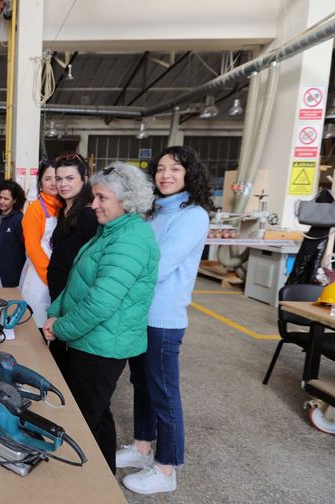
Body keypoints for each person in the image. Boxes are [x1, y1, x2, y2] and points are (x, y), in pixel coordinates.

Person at [43, 162, 159, 475]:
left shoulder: (131, 240)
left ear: (126, 200)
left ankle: (85, 483)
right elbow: (78, 281)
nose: (93, 204)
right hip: (89, 339)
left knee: (82, 421)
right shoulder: (111, 230)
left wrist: (62, 327)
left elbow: (100, 303)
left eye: (101, 198)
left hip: (101, 346)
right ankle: (104, 478)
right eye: (94, 197)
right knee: (98, 414)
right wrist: (56, 312)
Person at [118, 147, 213, 495]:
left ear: (189, 174)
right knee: (142, 386)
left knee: (164, 395)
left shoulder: (192, 215)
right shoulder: (154, 211)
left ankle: (166, 467)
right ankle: (143, 448)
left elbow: (159, 266)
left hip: (163, 317)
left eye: (175, 168)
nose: (166, 175)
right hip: (140, 313)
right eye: (160, 168)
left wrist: (118, 279)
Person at [46, 152, 97, 380]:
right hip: (59, 295)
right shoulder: (63, 210)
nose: (62, 184)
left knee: (72, 367)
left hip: (75, 298)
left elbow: (93, 264)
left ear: (84, 179)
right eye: (58, 178)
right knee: (58, 362)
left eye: (69, 178)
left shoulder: (89, 215)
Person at [20, 160, 61, 327]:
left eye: (56, 178)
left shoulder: (63, 207)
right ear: (40, 183)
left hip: (57, 272)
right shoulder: (35, 209)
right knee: (38, 323)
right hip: (40, 275)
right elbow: (32, 248)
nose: (53, 183)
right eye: (47, 179)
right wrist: (49, 276)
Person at [0, 180, 26, 288]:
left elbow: (24, 249)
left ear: (15, 200)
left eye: (6, 199)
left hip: (10, 276)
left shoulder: (18, 220)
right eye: (0, 198)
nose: (2, 201)